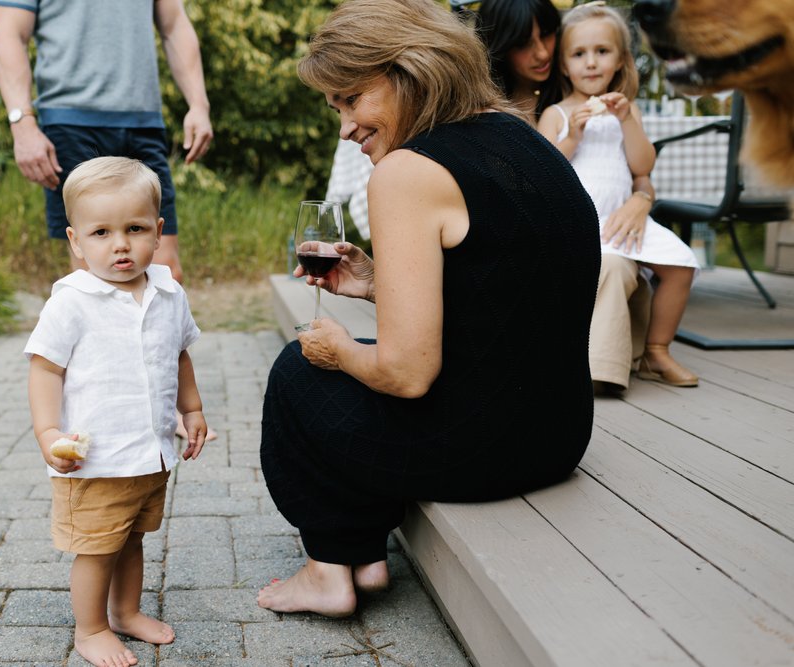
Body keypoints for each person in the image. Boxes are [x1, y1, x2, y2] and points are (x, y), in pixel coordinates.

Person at [257, 0, 600, 617]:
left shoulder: (407, 171)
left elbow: (406, 375)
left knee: (299, 371)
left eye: (351, 100)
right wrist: (373, 284)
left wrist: (337, 350)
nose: (345, 128)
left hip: (485, 452)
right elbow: (504, 292)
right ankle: (363, 554)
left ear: (407, 71)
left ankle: (327, 567)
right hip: (561, 436)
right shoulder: (522, 134)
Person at [24, 157, 207, 666]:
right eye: (101, 232)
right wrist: (47, 432)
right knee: (98, 547)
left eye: (135, 228)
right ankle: (91, 629)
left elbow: (180, 354)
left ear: (158, 231)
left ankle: (125, 612)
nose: (120, 244)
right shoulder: (72, 301)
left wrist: (190, 410)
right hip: (95, 458)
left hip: (148, 453)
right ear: (76, 242)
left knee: (132, 539)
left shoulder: (169, 291)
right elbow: (45, 370)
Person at [478, 0, 659, 394]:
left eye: (547, 35)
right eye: (525, 43)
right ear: (501, 46)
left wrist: (641, 200)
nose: (542, 52)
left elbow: (638, 173)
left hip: (594, 234)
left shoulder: (591, 102)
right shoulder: (491, 112)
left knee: (621, 264)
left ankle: (615, 360)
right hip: (526, 245)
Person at [0, 0, 214, 284]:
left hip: (142, 122)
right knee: (93, 280)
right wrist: (22, 124)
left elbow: (174, 24)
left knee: (166, 274)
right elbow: (9, 33)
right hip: (70, 122)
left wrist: (198, 104)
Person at [538, 3, 699, 387]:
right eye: (579, 54)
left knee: (682, 265)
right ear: (563, 65)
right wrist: (573, 137)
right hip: (581, 224)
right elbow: (544, 172)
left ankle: (657, 351)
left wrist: (627, 119)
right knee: (606, 264)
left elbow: (643, 166)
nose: (591, 63)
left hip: (623, 220)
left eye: (602, 52)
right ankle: (600, 364)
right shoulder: (557, 115)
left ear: (620, 61)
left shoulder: (627, 113)